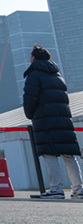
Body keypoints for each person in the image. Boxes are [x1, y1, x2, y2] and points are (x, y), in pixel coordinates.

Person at [23, 44, 83, 199]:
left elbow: (30, 98)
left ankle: (56, 189)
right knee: (68, 154)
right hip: (63, 120)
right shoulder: (57, 75)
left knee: (49, 154)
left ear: (34, 58)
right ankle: (79, 189)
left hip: (44, 120)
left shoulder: (34, 75)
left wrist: (30, 114)